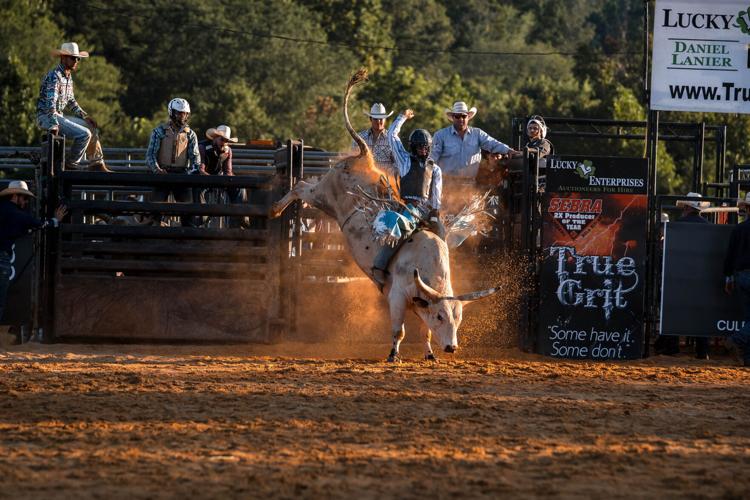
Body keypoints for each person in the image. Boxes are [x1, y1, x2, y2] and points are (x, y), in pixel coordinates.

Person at [371, 109, 443, 289]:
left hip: (426, 210)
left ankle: (441, 273)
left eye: (426, 147)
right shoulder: (404, 161)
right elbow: (392, 136)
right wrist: (403, 117)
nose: (423, 150)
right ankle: (379, 267)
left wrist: (435, 213)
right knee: (399, 232)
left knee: (442, 236)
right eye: (420, 146)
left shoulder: (435, 169)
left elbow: (436, 194)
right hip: (408, 208)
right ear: (413, 147)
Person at [36, 42, 110, 172]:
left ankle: (96, 164)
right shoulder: (55, 76)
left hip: (57, 115)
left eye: (78, 58)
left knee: (90, 128)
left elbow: (71, 101)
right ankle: (71, 165)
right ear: (63, 58)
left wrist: (85, 116)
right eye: (73, 58)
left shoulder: (68, 78)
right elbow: (50, 104)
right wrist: (53, 124)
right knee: (84, 134)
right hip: (47, 117)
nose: (76, 61)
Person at [655, 193, 712, 359]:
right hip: (701, 277)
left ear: (687, 208)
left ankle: (672, 346)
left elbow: (666, 253)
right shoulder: (709, 227)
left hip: (678, 276)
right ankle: (702, 350)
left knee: (673, 310)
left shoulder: (675, 226)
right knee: (701, 314)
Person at [0, 181, 67, 322]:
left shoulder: (4, 210)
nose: (25, 202)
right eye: (24, 198)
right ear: (15, 196)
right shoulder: (16, 214)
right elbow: (40, 224)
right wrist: (55, 220)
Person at [145, 98, 201, 227]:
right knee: (155, 209)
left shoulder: (190, 135)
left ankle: (188, 239)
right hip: (162, 173)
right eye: (179, 113)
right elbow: (150, 155)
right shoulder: (159, 131)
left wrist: (192, 172)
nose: (182, 116)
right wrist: (157, 170)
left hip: (182, 174)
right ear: (172, 113)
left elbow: (195, 158)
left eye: (185, 113)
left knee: (188, 212)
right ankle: (152, 238)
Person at [429, 101, 518, 179]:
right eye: (457, 116)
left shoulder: (477, 134)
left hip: (470, 184)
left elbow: (492, 143)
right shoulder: (440, 135)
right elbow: (432, 158)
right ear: (453, 117)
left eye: (464, 116)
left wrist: (508, 150)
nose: (461, 119)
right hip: (446, 183)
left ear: (468, 117)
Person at [197, 125, 245, 228]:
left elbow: (228, 171)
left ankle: (238, 221)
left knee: (239, 188)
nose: (224, 143)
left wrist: (226, 179)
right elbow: (201, 170)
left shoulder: (228, 151)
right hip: (204, 179)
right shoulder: (203, 147)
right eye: (222, 139)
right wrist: (214, 179)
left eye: (227, 140)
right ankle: (202, 220)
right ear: (215, 137)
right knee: (197, 189)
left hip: (220, 179)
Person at [723, 192, 750, 367]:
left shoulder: (739, 229)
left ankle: (748, 358)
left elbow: (730, 256)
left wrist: (728, 278)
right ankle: (735, 339)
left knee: (749, 317)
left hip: (740, 275)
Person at [353, 103, 403, 172]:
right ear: (371, 119)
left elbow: (398, 162)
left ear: (385, 119)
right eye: (376, 119)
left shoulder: (392, 139)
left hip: (386, 180)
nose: (378, 121)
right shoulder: (360, 138)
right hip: (364, 179)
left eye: (381, 119)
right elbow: (354, 159)